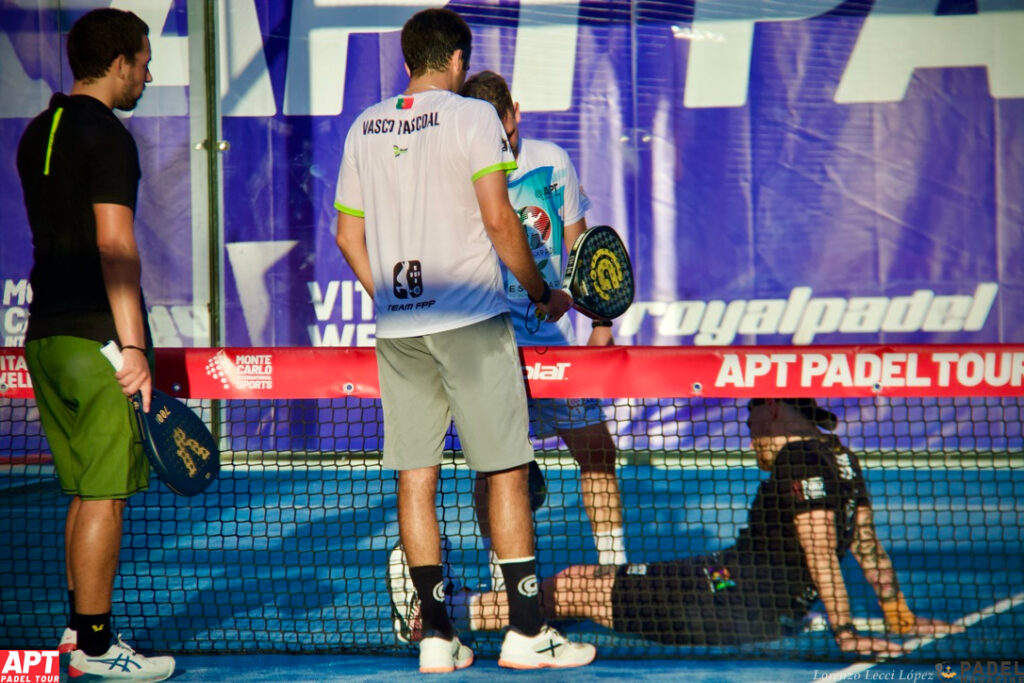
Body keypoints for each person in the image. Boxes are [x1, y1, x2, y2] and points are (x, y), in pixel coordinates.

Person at [333, 8, 595, 673]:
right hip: (473, 322)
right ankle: (527, 631)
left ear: (406, 61)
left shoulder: (366, 124)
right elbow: (500, 220)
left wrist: (389, 297)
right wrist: (540, 292)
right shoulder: (474, 117)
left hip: (399, 326)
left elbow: (346, 237)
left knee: (415, 479)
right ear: (456, 62)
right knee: (504, 469)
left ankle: (437, 635)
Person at [398, 398, 964, 656]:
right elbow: (865, 544)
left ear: (770, 412)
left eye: (750, 423)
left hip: (728, 600)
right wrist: (899, 614)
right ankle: (455, 613)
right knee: (581, 582)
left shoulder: (795, 459)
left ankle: (438, 618)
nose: (751, 440)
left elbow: (820, 551)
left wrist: (845, 632)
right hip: (732, 587)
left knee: (573, 587)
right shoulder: (840, 454)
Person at [16, 8, 175, 682]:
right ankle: (96, 645)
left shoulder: (37, 129)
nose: (147, 72)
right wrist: (133, 346)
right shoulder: (108, 135)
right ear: (117, 65)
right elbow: (114, 245)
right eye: (142, 61)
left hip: (45, 336)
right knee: (106, 496)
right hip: (98, 342)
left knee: (86, 492)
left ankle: (75, 630)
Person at [459, 70, 628, 585]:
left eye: (506, 133)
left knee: (597, 449)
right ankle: (500, 581)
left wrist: (600, 320)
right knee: (496, 467)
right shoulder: (460, 167)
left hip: (550, 342)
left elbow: (581, 248)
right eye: (491, 137)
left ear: (517, 112)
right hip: (486, 339)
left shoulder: (553, 161)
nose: (503, 146)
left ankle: (615, 570)